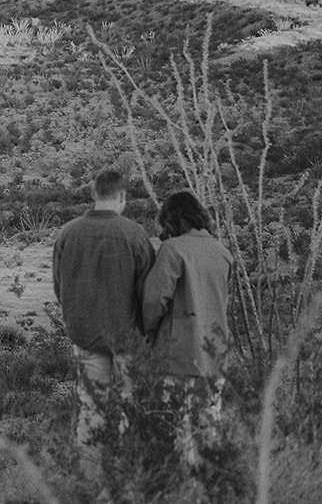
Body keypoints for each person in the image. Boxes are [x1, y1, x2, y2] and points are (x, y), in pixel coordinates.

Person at [52, 170, 154, 453]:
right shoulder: (134, 233)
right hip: (128, 336)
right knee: (132, 404)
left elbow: (59, 288)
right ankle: (130, 471)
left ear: (94, 195)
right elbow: (149, 292)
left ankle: (90, 477)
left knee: (91, 407)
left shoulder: (68, 233)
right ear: (122, 196)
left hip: (85, 335)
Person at [143, 190, 234, 470]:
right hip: (215, 355)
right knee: (209, 427)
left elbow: (153, 300)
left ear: (171, 220)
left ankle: (182, 488)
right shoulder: (222, 252)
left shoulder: (173, 250)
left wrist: (147, 331)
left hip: (178, 354)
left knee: (178, 430)